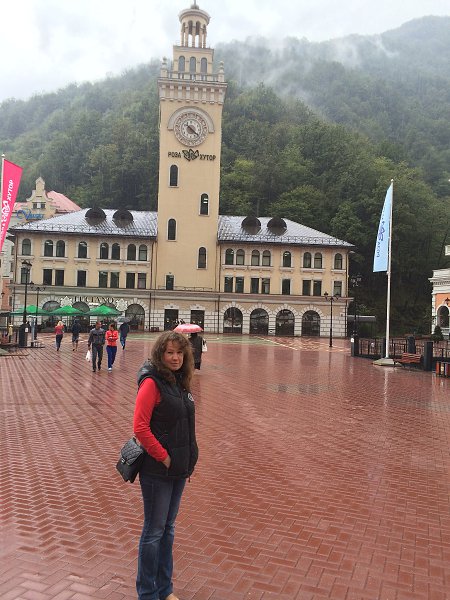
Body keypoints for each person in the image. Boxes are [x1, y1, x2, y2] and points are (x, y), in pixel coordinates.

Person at [133, 331, 198, 600]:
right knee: (154, 531)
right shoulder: (152, 383)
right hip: (158, 470)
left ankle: (164, 589)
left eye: (180, 353)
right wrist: (164, 457)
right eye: (170, 352)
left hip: (178, 470)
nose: (175, 358)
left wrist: (186, 459)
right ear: (160, 354)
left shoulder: (180, 382)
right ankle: (148, 592)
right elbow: (140, 427)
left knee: (168, 530)